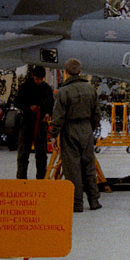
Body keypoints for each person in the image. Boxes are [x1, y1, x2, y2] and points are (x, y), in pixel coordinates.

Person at [52, 58, 102, 212]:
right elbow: (97, 114)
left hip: (70, 129)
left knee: (72, 168)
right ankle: (94, 201)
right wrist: (90, 128)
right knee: (89, 166)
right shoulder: (91, 89)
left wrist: (54, 135)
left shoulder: (63, 92)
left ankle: (77, 204)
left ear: (66, 72)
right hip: (86, 128)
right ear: (80, 71)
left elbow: (58, 116)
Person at [15, 65, 54, 180]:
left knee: (41, 154)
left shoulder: (46, 88)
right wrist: (29, 108)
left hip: (41, 124)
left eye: (41, 79)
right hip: (26, 122)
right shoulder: (24, 87)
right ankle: (21, 179)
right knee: (23, 153)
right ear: (33, 76)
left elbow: (51, 104)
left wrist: (48, 113)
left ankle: (41, 178)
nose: (39, 81)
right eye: (37, 78)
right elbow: (17, 102)